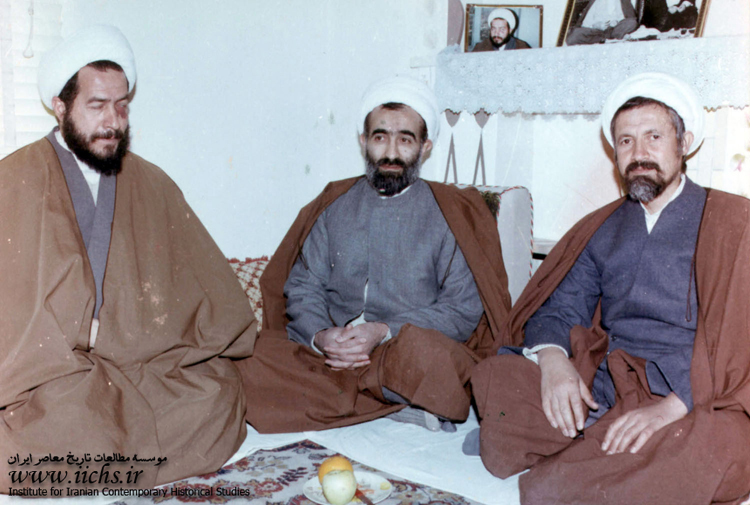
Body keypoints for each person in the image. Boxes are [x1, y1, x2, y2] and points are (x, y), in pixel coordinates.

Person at [467, 72, 750, 504]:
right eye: (626, 141)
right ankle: (603, 451)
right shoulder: (604, 227)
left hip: (695, 395)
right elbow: (560, 307)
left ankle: (590, 459)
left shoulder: (732, 221)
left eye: (654, 137)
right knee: (499, 378)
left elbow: (741, 344)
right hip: (608, 386)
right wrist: (553, 362)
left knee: (723, 444)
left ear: (685, 142)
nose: (639, 154)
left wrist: (673, 405)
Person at [0, 25, 256, 492]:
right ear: (60, 106)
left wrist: (130, 331)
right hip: (60, 373)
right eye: (97, 105)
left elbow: (204, 297)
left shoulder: (152, 182)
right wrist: (79, 333)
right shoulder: (14, 179)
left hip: (144, 365)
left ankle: (113, 451)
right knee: (53, 423)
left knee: (216, 395)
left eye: (122, 105)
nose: (113, 121)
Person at [237, 76, 514, 433]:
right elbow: (304, 286)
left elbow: (462, 309)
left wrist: (382, 331)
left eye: (405, 140)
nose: (391, 153)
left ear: (425, 147)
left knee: (434, 359)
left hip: (399, 348)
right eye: (380, 137)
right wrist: (321, 336)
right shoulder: (335, 204)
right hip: (333, 355)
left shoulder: (451, 213)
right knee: (250, 356)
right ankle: (392, 404)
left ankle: (354, 397)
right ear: (363, 141)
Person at [566, 0, 640, 45]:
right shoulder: (595, 2)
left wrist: (616, 22)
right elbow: (585, 23)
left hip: (614, 29)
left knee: (631, 22)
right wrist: (595, 25)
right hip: (597, 32)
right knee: (573, 36)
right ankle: (609, 39)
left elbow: (627, 17)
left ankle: (610, 37)